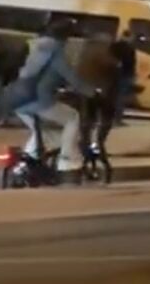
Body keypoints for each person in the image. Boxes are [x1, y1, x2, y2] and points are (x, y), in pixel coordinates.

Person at [7, 20, 90, 174]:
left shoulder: (33, 46)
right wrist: (90, 91)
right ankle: (67, 160)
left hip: (17, 99)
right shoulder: (55, 50)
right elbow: (69, 75)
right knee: (72, 118)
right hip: (38, 99)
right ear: (64, 37)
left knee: (40, 131)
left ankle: (26, 164)